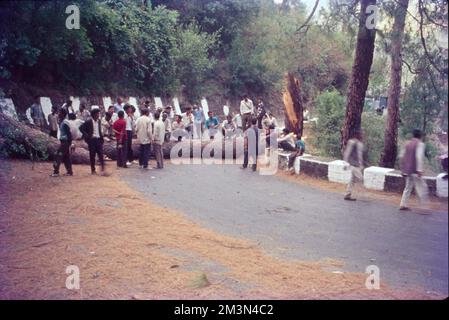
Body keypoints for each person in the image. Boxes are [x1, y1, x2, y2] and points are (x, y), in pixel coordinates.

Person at [399, 129, 429, 211]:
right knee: (422, 187)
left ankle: (403, 204)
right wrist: (419, 170)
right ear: (420, 136)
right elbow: (419, 157)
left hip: (407, 170)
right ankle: (423, 207)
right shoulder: (420, 144)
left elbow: (401, 156)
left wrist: (402, 168)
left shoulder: (407, 144)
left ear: (413, 135)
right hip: (415, 171)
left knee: (407, 187)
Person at [79, 109, 105, 175]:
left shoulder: (99, 121)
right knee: (92, 155)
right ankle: (93, 170)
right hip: (92, 141)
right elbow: (81, 128)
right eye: (97, 114)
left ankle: (102, 169)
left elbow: (99, 130)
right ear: (93, 115)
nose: (98, 115)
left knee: (101, 155)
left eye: (98, 114)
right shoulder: (88, 121)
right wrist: (87, 136)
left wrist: (101, 138)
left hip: (98, 140)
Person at [343, 129, 364, 201]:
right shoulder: (352, 142)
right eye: (361, 134)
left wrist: (361, 164)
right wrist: (345, 162)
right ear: (357, 135)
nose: (362, 135)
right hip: (353, 165)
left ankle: (348, 194)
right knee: (360, 178)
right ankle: (363, 193)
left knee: (352, 180)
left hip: (356, 165)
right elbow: (347, 152)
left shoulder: (359, 143)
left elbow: (359, 155)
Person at [51, 108, 73, 177]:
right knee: (66, 157)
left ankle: (56, 172)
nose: (58, 114)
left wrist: (69, 143)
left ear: (63, 114)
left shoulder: (65, 122)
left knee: (57, 155)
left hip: (65, 142)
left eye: (59, 113)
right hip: (64, 142)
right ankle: (69, 172)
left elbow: (69, 133)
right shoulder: (62, 121)